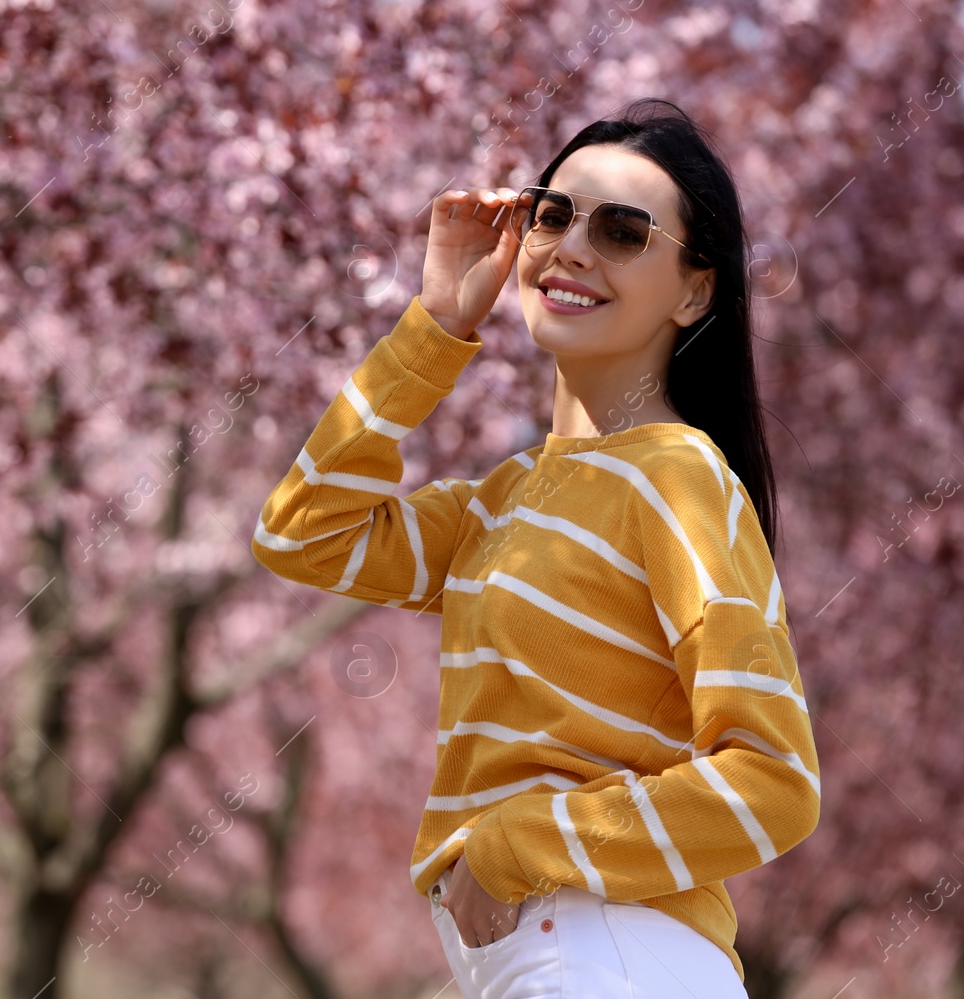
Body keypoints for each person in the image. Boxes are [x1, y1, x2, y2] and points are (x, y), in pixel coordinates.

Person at [249, 98, 820, 997]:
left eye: (625, 231)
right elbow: (300, 531)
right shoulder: (504, 501)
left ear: (696, 290)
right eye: (553, 215)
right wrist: (436, 327)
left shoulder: (677, 477)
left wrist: (520, 845)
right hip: (551, 957)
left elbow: (774, 781)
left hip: (604, 951)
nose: (573, 249)